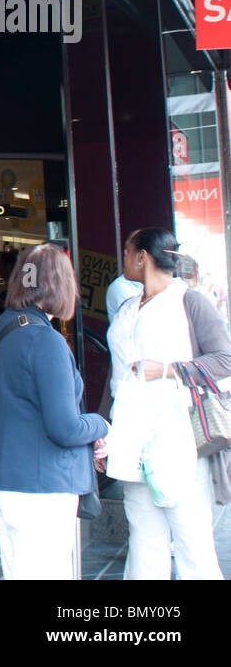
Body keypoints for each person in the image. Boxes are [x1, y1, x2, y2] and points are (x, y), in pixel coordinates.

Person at [0, 242, 107, 579]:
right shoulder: (45, 340)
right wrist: (100, 425)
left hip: (3, 481)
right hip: (41, 489)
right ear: (61, 285)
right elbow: (64, 428)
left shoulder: (0, 329)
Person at [107, 227, 227, 580]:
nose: (124, 258)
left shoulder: (189, 301)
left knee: (192, 541)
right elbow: (118, 376)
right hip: (130, 436)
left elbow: (225, 358)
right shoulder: (128, 306)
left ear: (143, 257)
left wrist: (169, 370)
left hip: (178, 438)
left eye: (128, 251)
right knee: (144, 539)